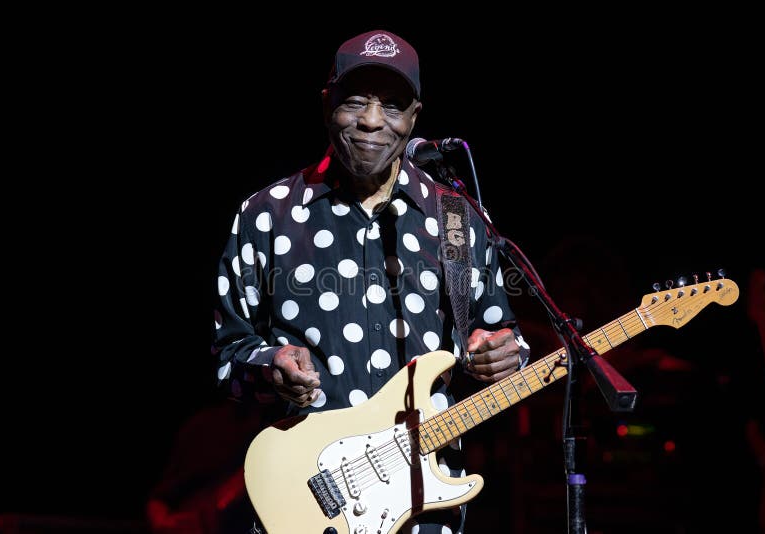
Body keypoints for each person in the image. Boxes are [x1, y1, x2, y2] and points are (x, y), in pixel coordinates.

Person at [212, 29, 530, 533]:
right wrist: (269, 366)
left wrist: (504, 352)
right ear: (326, 104)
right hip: (308, 501)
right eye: (355, 102)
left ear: (415, 119)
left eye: (393, 106)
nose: (372, 121)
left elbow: (500, 334)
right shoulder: (267, 215)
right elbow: (228, 354)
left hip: (426, 501)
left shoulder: (455, 218)